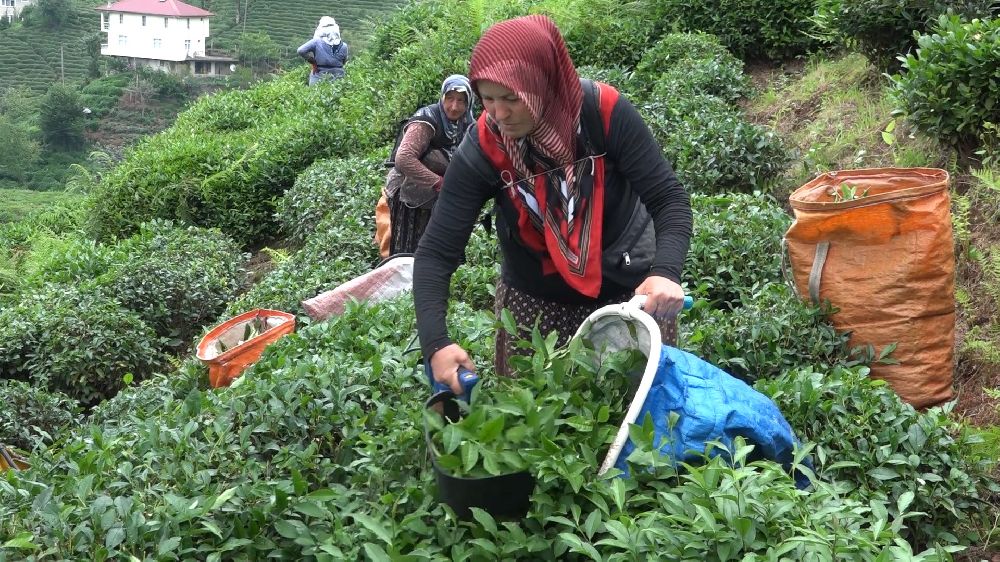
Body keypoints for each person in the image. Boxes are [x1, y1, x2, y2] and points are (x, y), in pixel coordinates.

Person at [413, 15, 693, 395]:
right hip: (535, 307)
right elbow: (437, 251)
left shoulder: (603, 114)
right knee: (539, 428)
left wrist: (666, 272)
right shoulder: (484, 147)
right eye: (488, 99)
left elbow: (668, 198)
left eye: (512, 98)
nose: (498, 114)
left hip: (629, 296)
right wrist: (436, 343)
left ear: (544, 86)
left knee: (639, 419)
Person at [374, 75, 475, 257]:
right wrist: (438, 182)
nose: (454, 106)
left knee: (441, 252)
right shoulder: (427, 119)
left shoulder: (468, 124)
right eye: (450, 99)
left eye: (461, 101)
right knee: (408, 253)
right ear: (442, 97)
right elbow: (404, 158)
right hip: (410, 197)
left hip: (442, 199)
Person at [297, 16, 349, 85]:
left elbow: (300, 50)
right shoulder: (344, 46)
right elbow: (344, 61)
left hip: (318, 78)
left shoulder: (317, 42)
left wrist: (313, 62)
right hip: (338, 80)